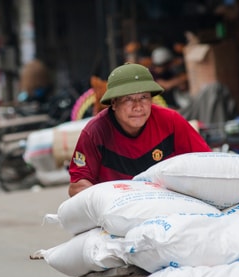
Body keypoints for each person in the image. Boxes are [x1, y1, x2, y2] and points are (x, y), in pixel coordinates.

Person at [68, 62, 211, 197]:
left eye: (143, 97)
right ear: (114, 103)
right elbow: (76, 186)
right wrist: (110, 198)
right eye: (128, 99)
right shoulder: (95, 132)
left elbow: (206, 163)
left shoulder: (171, 121)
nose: (138, 107)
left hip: (168, 204)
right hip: (116, 208)